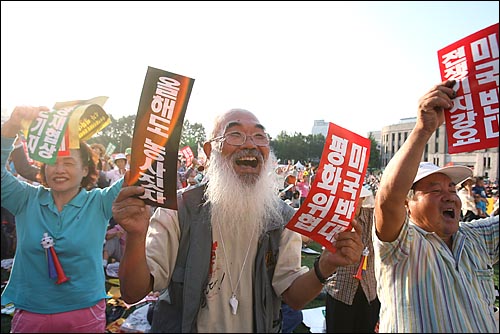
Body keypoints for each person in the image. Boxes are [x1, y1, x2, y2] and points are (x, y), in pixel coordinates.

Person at [112, 108, 364, 332]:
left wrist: (327, 263)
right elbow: (133, 291)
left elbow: (294, 297)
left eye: (259, 136)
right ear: (210, 151)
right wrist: (136, 235)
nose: (250, 145)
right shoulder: (179, 209)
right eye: (235, 135)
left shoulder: (280, 218)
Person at [373, 79, 499, 333]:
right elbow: (388, 200)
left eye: (452, 188)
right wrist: (422, 129)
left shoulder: (475, 238)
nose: (450, 196)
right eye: (435, 190)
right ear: (408, 203)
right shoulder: (401, 247)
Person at [1, 106, 124, 333]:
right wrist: (10, 128)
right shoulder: (25, 199)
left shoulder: (99, 202)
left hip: (84, 313)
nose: (59, 170)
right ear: (43, 167)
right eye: (52, 162)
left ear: (86, 168)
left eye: (68, 163)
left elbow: (139, 175)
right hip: (31, 313)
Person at [324, 186, 380, 333]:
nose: (350, 204)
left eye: (354, 199)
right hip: (340, 289)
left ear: (362, 200)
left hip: (369, 289)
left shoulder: (374, 216)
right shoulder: (334, 219)